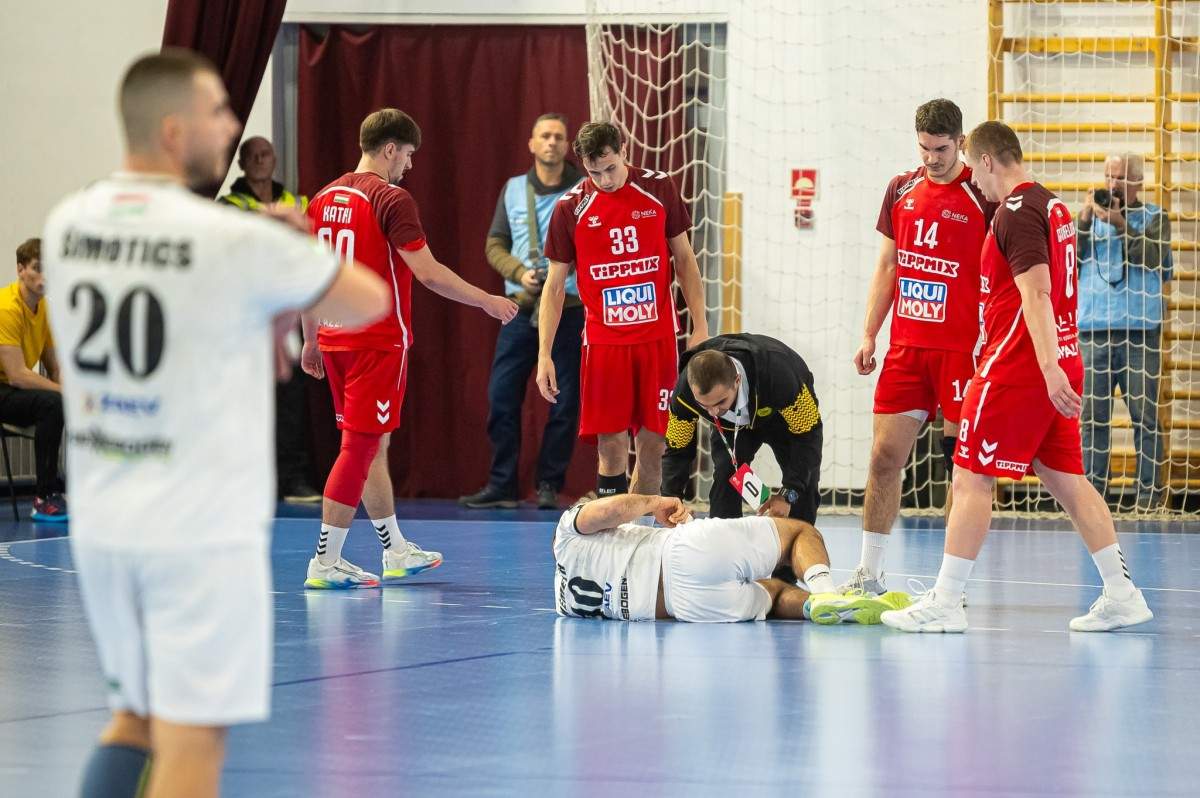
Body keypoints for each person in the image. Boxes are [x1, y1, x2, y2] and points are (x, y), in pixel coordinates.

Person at [43, 49, 389, 798]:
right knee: (194, 741)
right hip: (195, 525)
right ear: (173, 131)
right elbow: (368, 299)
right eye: (218, 112)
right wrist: (290, 241)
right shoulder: (228, 238)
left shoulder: (69, 224)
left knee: (133, 720)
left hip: (104, 516)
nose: (233, 126)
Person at [881, 121, 1154, 634]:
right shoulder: (1052, 205)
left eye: (974, 170)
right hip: (1059, 358)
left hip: (1020, 366)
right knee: (1067, 480)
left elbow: (1038, 293)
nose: (974, 182)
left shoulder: (1015, 211)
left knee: (970, 476)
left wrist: (1047, 369)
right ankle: (1123, 594)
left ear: (986, 160)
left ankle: (946, 601)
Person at [302, 108, 519, 589]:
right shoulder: (390, 198)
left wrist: (310, 339)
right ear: (389, 150)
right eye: (408, 154)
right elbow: (428, 273)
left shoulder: (322, 197)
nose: (410, 164)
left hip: (335, 338)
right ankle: (325, 560)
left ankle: (395, 549)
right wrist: (485, 300)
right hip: (375, 342)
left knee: (371, 445)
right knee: (359, 448)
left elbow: (310, 276)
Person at [846, 98, 995, 595]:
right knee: (883, 457)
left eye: (941, 149)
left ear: (961, 144)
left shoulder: (982, 194)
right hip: (907, 349)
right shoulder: (900, 189)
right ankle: (868, 573)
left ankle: (952, 587)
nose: (932, 158)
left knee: (962, 469)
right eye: (924, 148)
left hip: (963, 351)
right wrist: (870, 332)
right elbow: (888, 266)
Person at [536, 122, 709, 501]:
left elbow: (684, 259)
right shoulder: (570, 207)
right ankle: (613, 528)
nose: (605, 180)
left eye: (610, 168)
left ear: (624, 151)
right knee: (611, 444)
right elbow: (553, 287)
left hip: (657, 339)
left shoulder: (659, 188)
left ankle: (641, 525)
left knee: (654, 444)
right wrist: (544, 354)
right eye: (594, 172)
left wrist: (700, 325)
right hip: (604, 344)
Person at [459, 113, 584, 510]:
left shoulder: (585, 190)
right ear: (531, 143)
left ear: (567, 145)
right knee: (501, 396)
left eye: (558, 137)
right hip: (519, 309)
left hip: (568, 310)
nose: (551, 142)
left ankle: (549, 483)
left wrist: (565, 272)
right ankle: (502, 485)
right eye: (544, 136)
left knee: (565, 401)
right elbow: (494, 244)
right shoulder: (513, 189)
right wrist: (519, 272)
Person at [554, 493, 911, 623]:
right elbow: (608, 511)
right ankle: (827, 593)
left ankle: (815, 608)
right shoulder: (568, 532)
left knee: (772, 594)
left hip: (687, 610)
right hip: (682, 553)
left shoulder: (564, 605)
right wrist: (656, 503)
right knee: (798, 534)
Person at [219, 136, 321, 503]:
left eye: (267, 155)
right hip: (244, 315)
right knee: (242, 399)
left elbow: (310, 247)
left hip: (286, 311)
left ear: (275, 160)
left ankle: (291, 479)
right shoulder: (227, 206)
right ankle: (242, 480)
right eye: (254, 156)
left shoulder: (298, 202)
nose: (261, 160)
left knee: (291, 399)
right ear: (242, 163)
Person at [1076, 153, 1173, 510]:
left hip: (1139, 334)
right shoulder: (1089, 220)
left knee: (1145, 419)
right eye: (1108, 176)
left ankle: (1147, 499)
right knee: (1092, 420)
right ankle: (1092, 499)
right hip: (1094, 332)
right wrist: (1085, 219)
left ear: (1138, 183)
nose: (1112, 184)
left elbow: (1154, 258)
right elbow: (1068, 261)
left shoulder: (1155, 217)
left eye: (1120, 177)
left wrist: (1119, 224)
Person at [662, 334, 822, 524]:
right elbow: (677, 449)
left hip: (781, 416)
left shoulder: (780, 377)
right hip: (732, 426)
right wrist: (671, 499)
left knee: (804, 484)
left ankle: (800, 540)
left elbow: (808, 437)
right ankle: (724, 539)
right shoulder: (683, 395)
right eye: (704, 406)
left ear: (736, 381)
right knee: (725, 474)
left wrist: (789, 493)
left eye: (720, 402)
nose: (713, 412)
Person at [0, 238, 66, 521]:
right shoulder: (7, 308)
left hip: (12, 389)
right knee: (52, 403)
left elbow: (54, 366)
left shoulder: (45, 308)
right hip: (4, 386)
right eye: (38, 268)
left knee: (65, 402)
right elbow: (17, 375)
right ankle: (44, 497)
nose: (44, 277)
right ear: (20, 269)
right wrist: (62, 392)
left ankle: (64, 488)